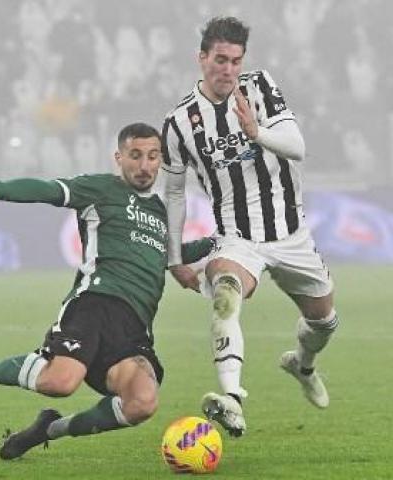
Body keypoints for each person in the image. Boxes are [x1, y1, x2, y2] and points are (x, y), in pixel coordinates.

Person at [0, 123, 213, 459]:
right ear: (119, 157)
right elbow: (49, 190)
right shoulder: (100, 189)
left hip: (134, 326)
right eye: (136, 155)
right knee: (59, 383)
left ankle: (49, 430)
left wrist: (218, 243)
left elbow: (173, 254)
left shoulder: (162, 213)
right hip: (94, 304)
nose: (145, 165)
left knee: (142, 404)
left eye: (152, 156)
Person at [161, 17, 338, 437]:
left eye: (235, 60)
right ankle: (232, 400)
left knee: (325, 321)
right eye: (220, 60)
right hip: (237, 239)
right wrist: (174, 259)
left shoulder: (259, 88)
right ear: (202, 59)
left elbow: (298, 147)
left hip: (292, 235)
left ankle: (303, 364)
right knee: (225, 295)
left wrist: (256, 132)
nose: (228, 69)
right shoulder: (180, 122)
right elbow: (173, 194)